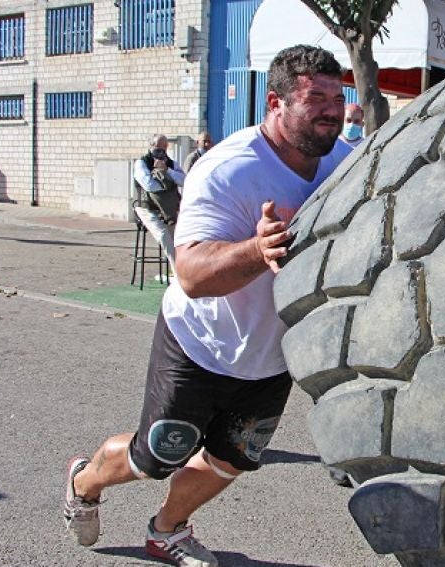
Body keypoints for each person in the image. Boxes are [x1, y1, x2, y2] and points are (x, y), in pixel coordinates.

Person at [63, 45, 352, 566]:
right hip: (201, 343)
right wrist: (257, 250)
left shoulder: (345, 161)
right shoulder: (229, 170)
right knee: (159, 454)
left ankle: (166, 530)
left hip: (274, 352)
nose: (331, 109)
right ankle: (84, 481)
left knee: (232, 457)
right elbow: (192, 275)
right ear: (276, 102)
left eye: (337, 97)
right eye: (315, 98)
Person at [134, 134, 186, 225]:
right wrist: (170, 184)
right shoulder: (142, 163)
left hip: (170, 206)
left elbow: (184, 181)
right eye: (158, 146)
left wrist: (167, 170)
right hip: (148, 207)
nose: (162, 149)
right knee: (163, 235)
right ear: (151, 146)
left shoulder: (171, 163)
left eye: (165, 146)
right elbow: (149, 185)